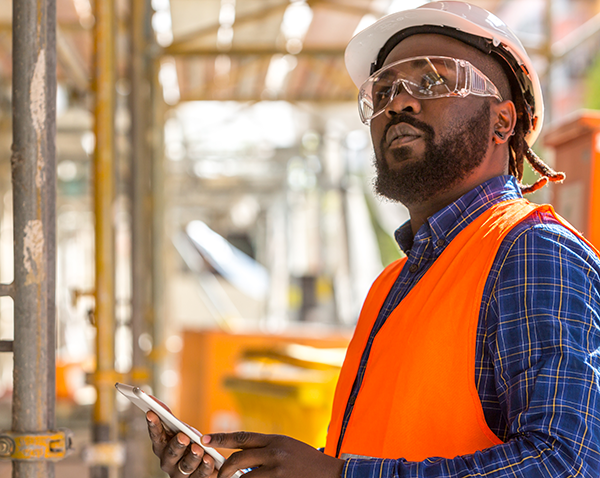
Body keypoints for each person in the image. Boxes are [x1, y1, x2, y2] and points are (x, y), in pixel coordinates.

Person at [146, 2, 600, 477]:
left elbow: (568, 464)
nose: (398, 102)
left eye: (432, 81)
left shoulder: (531, 252)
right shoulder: (395, 282)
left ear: (502, 123)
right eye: (383, 91)